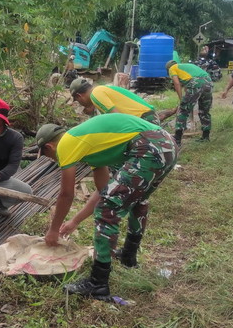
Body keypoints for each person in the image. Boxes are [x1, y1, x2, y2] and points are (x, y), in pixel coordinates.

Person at [36, 113, 178, 300]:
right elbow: (104, 191)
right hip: (166, 145)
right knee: (136, 201)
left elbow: (66, 194)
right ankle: (128, 256)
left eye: (48, 156)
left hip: (148, 147)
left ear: (49, 146)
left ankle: (98, 283)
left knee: (107, 209)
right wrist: (74, 221)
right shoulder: (89, 147)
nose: (54, 160)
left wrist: (53, 230)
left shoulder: (65, 145)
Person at [69, 78, 160, 125]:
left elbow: (118, 119)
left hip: (145, 119)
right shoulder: (101, 90)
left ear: (79, 96)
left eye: (78, 101)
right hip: (147, 117)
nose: (81, 104)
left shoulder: (96, 94)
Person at [165, 59, 213, 145]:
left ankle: (177, 139)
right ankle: (206, 136)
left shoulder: (172, 68)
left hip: (195, 83)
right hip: (208, 82)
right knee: (204, 111)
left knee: (183, 110)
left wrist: (181, 99)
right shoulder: (187, 67)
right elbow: (188, 84)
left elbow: (176, 83)